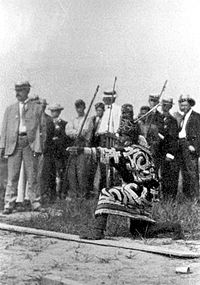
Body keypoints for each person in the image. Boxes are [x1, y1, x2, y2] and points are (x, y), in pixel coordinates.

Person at [73, 105, 182, 240]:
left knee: (106, 193)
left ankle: (97, 230)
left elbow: (108, 153)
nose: (119, 139)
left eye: (122, 136)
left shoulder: (132, 151)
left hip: (141, 193)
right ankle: (174, 227)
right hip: (146, 194)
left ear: (129, 138)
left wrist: (82, 150)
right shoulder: (140, 149)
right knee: (139, 231)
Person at [0, 81, 45, 214]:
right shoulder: (10, 109)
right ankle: (9, 204)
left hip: (30, 143)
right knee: (12, 175)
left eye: (20, 90)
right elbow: (4, 130)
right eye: (16, 90)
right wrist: (2, 146)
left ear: (27, 91)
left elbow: (43, 128)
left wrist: (40, 145)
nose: (17, 93)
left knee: (32, 174)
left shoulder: (36, 108)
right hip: (14, 143)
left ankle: (35, 202)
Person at [64, 99, 92, 199]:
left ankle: (82, 195)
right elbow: (68, 131)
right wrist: (76, 133)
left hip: (83, 146)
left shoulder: (88, 119)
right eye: (77, 107)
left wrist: (75, 133)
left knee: (82, 172)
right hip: (74, 145)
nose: (79, 109)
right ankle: (74, 194)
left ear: (84, 107)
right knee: (72, 172)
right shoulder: (73, 119)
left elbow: (84, 132)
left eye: (81, 107)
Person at [178, 94, 200, 201]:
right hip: (182, 145)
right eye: (181, 106)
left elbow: (198, 133)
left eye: (185, 105)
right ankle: (187, 197)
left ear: (190, 105)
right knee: (185, 172)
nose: (183, 108)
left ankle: (196, 198)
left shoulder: (196, 116)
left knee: (193, 173)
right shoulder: (183, 117)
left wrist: (194, 146)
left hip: (189, 146)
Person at [160, 98, 179, 200]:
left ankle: (169, 199)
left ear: (170, 106)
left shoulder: (172, 121)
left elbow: (173, 139)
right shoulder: (158, 118)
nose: (164, 107)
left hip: (167, 152)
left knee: (168, 175)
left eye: (166, 105)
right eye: (163, 105)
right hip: (158, 152)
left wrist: (170, 154)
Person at [48, 103, 68, 200]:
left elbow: (65, 138)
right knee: (50, 173)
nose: (53, 113)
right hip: (50, 152)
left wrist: (57, 140)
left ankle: (61, 194)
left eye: (55, 111)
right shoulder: (47, 122)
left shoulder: (64, 124)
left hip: (59, 152)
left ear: (59, 112)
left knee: (61, 173)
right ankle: (51, 195)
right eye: (52, 111)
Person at [145, 95, 164, 177]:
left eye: (155, 101)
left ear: (158, 103)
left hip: (154, 146)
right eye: (151, 100)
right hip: (144, 144)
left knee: (154, 169)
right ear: (149, 101)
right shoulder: (145, 114)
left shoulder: (160, 116)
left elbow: (161, 132)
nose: (153, 103)